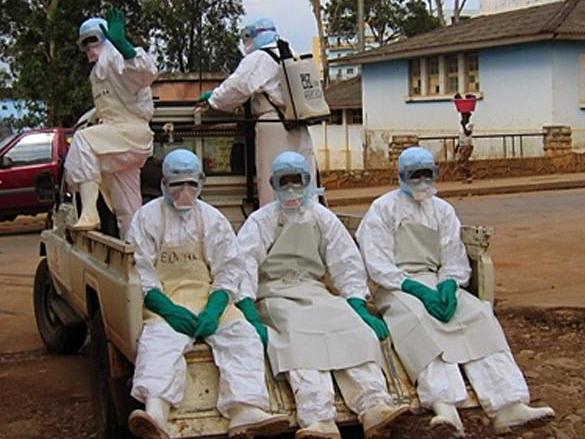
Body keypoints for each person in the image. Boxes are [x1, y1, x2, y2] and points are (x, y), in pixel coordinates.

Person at [356, 146, 555, 435]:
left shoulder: (444, 210)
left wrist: (449, 283)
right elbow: (377, 263)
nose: (422, 181)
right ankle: (444, 405)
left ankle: (508, 403)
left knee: (477, 315)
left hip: (436, 280)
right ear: (401, 176)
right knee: (419, 322)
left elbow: (453, 256)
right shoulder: (383, 209)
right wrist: (416, 289)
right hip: (397, 286)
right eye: (415, 175)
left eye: (427, 174)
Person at [237, 151, 409, 439]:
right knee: (299, 339)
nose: (292, 189)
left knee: (353, 330)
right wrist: (248, 309)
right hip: (276, 294)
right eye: (285, 181)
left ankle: (374, 404)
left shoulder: (321, 217)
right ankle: (318, 417)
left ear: (308, 180)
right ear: (273, 183)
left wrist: (357, 302)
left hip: (316, 291)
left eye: (298, 181)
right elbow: (243, 264)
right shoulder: (261, 220)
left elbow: (345, 260)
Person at [126, 149, 289, 439]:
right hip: (166, 300)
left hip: (207, 296)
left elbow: (228, 267)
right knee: (159, 343)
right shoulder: (146, 218)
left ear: (201, 182)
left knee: (243, 337)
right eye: (177, 185)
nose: (185, 192)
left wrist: (216, 306)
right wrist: (165, 308)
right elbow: (141, 270)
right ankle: (156, 412)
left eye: (191, 183)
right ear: (163, 184)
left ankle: (244, 409)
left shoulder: (212, 219)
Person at [197, 18, 317, 206]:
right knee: (302, 182)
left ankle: (273, 227)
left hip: (274, 126)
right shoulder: (289, 52)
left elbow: (236, 88)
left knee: (273, 180)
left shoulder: (259, 57)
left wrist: (213, 98)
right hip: (298, 125)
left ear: (253, 36)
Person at [65, 7, 157, 237]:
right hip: (120, 137)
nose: (88, 47)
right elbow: (116, 99)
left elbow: (145, 73)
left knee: (83, 142)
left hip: (129, 132)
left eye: (92, 40)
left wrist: (124, 46)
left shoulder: (113, 56)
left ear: (105, 37)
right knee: (127, 206)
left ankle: (88, 212)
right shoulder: (98, 71)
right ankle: (134, 250)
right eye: (83, 43)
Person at [455, 111, 474, 184]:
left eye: (464, 116)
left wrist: (463, 125)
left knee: (463, 161)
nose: (463, 118)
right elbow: (460, 136)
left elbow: (467, 133)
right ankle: (465, 176)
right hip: (462, 145)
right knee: (460, 161)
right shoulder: (461, 126)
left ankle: (468, 176)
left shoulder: (470, 125)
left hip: (467, 145)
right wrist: (457, 146)